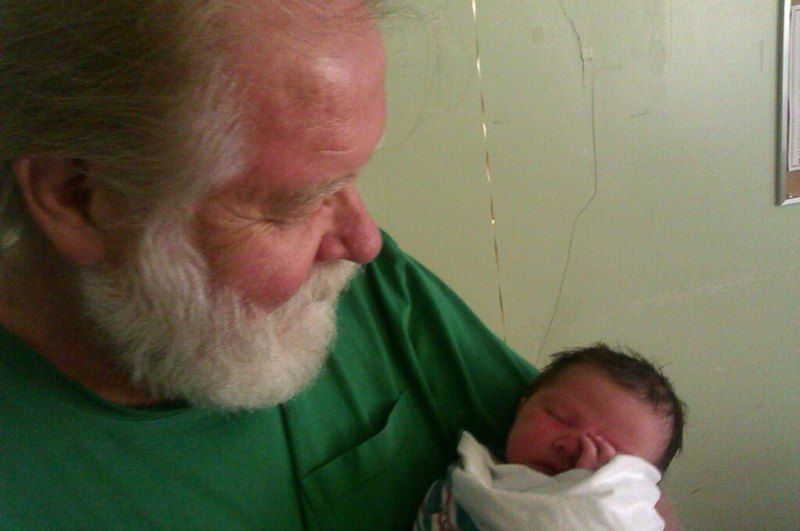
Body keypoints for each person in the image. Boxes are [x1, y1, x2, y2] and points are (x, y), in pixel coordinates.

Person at [0, 2, 536, 529]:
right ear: (77, 195)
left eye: (350, 179)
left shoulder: (369, 291)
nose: (365, 242)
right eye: (297, 205)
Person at [415, 344, 686, 530]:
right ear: (522, 407)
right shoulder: (472, 483)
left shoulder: (638, 516)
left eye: (610, 457)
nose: (575, 449)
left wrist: (594, 499)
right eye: (560, 417)